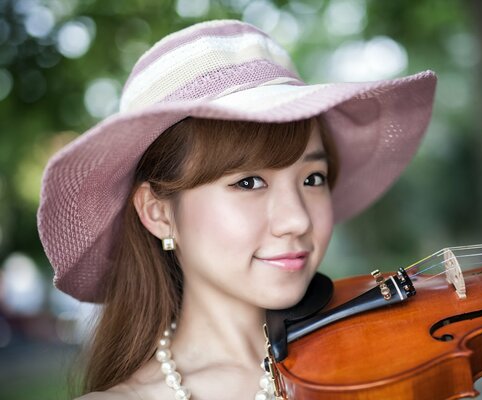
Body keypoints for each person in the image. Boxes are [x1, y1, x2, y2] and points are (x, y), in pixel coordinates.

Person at [37, 19, 436, 400]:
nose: (297, 219)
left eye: (313, 178)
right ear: (158, 213)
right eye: (248, 182)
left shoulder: (379, 367)